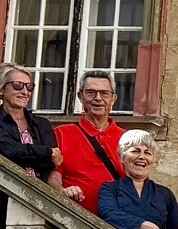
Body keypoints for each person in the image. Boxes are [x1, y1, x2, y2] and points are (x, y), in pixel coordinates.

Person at [51, 73, 129, 212]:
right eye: (91, 92)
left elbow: (139, 181)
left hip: (117, 219)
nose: (98, 98)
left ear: (113, 99)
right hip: (76, 216)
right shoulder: (61, 133)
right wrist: (63, 192)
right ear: (80, 96)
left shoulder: (127, 138)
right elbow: (53, 177)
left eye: (105, 93)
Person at [95, 130, 178, 229]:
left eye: (147, 153)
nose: (142, 157)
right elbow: (109, 214)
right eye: (135, 151)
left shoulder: (165, 194)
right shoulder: (110, 189)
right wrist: (149, 227)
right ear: (121, 157)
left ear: (153, 159)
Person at [0, 64, 56, 180]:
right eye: (18, 85)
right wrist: (47, 152)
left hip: (40, 188)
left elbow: (52, 162)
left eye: (29, 87)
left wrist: (4, 152)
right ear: (1, 89)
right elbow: (10, 150)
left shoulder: (42, 124)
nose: (25, 92)